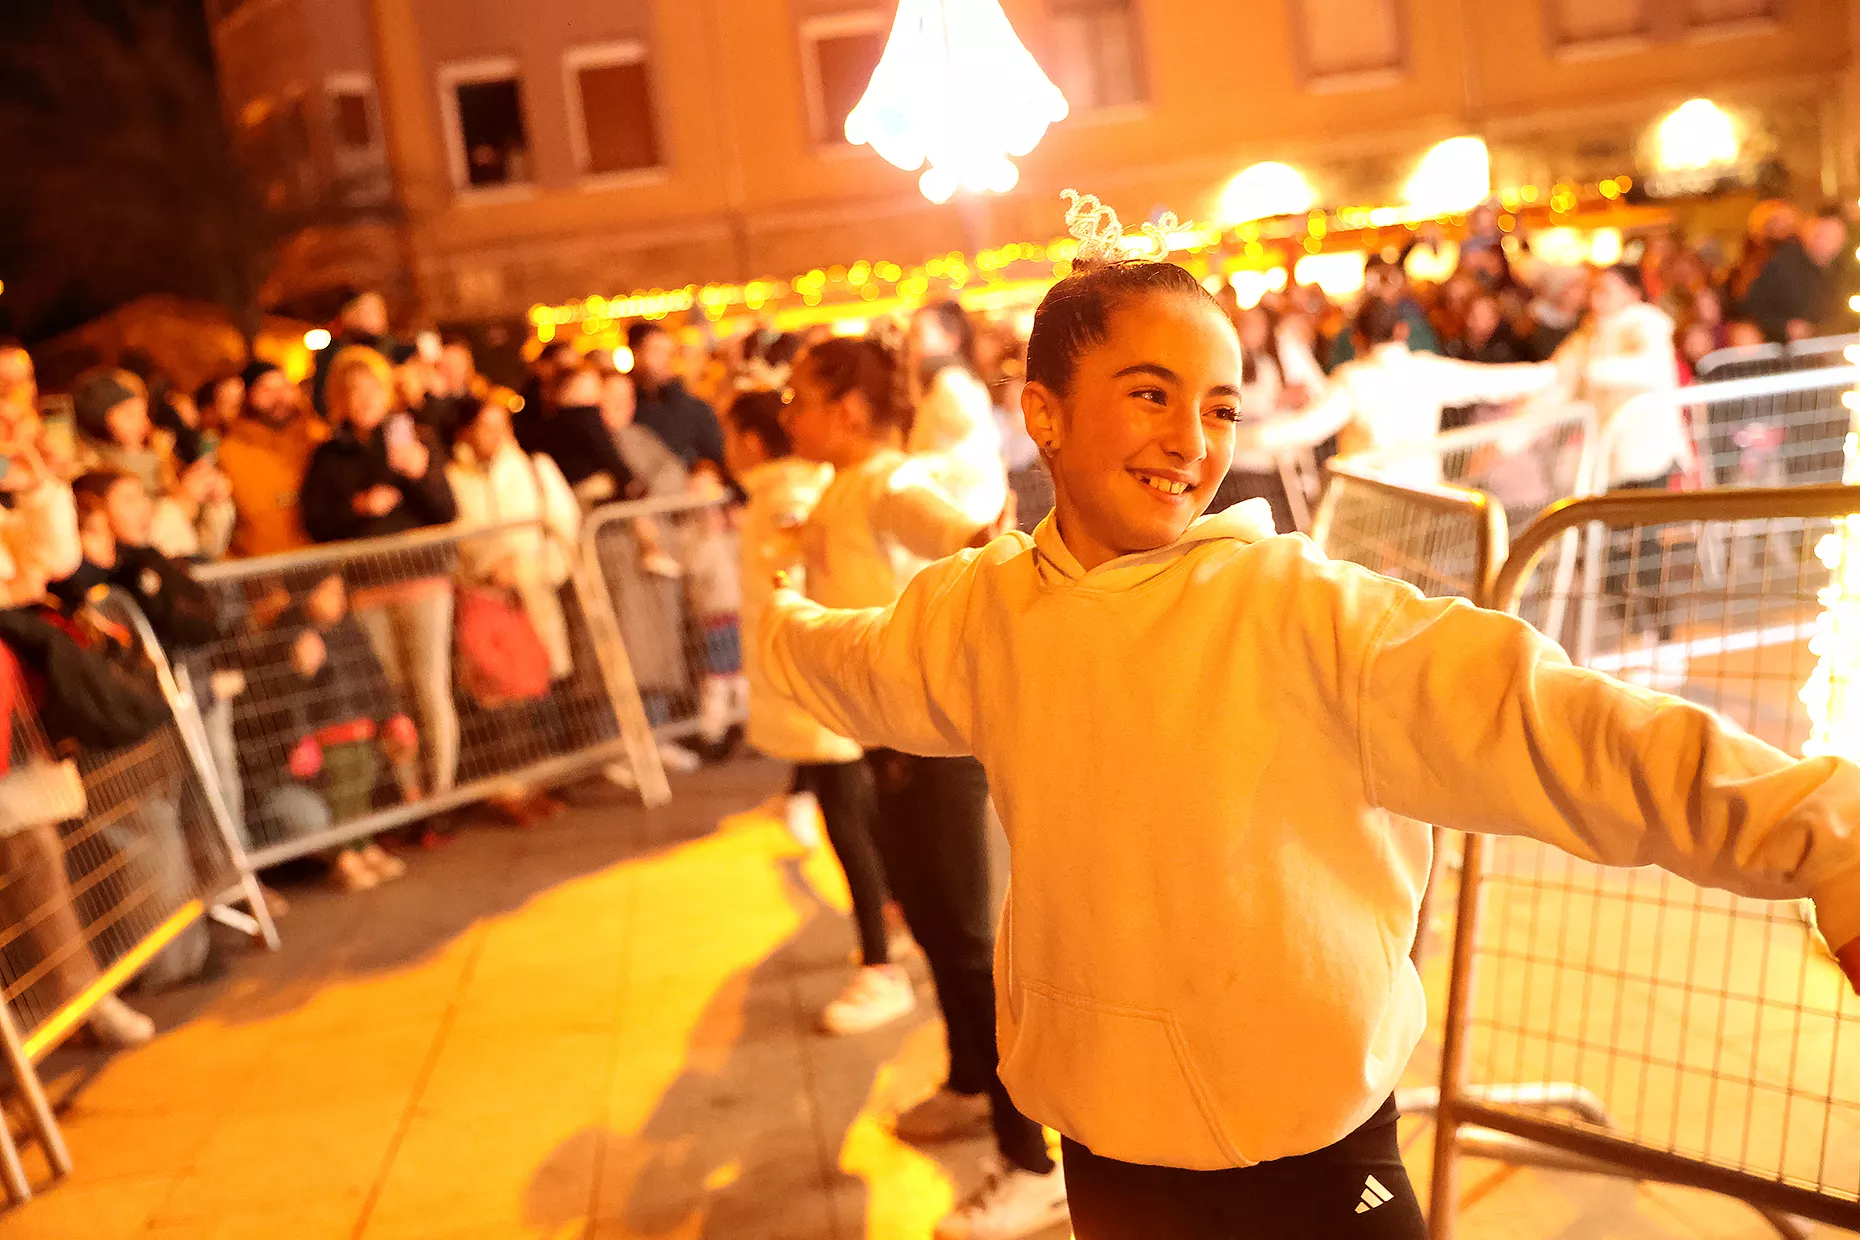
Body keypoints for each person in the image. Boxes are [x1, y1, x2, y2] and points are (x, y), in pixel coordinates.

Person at [757, 235, 1860, 1240]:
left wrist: (1825, 834)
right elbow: (855, 664)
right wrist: (774, 619)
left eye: (1222, 409)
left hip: (1320, 1166)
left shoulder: (1307, 613)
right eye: (1151, 394)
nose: (1191, 442)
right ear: (1044, 412)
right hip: (1108, 1156)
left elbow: (1560, 725)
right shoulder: (982, 612)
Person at [777, 335, 1051, 1238]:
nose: (787, 411)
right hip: (890, 740)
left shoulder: (889, 482)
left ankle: (1032, 1162)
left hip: (936, 745)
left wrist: (986, 539)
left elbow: (965, 538)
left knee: (970, 947)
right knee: (933, 928)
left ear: (849, 410)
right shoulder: (843, 487)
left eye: (799, 396)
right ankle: (975, 1084)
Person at [724, 386, 914, 1032]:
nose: (791, 417)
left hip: (818, 685)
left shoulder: (791, 496)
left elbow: (805, 583)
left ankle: (881, 966)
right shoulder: (799, 491)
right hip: (817, 681)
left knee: (851, 823)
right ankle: (891, 930)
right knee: (854, 816)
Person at [300, 345, 460, 799]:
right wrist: (357, 508)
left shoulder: (416, 439)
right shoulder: (329, 456)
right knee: (390, 696)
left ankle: (442, 791)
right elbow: (316, 522)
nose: (364, 398)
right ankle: (407, 794)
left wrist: (419, 474)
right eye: (353, 390)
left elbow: (446, 509)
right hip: (367, 586)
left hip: (421, 579)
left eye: (371, 387)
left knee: (429, 686)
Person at [1244, 298, 1560, 487]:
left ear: (1357, 338)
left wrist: (1239, 438)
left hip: (1371, 506)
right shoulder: (1425, 369)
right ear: (1402, 331)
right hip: (1425, 498)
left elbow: (1303, 430)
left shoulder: (1354, 379)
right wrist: (1555, 369)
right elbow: (1494, 382)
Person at [445, 390, 580, 824]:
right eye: (485, 425)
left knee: (536, 689)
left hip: (532, 594)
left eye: (501, 424)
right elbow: (454, 530)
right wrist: (488, 564)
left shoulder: (532, 469)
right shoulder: (453, 477)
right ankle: (508, 787)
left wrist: (536, 570)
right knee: (495, 692)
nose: (494, 435)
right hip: (483, 597)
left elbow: (563, 522)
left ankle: (539, 780)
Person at [70, 368, 235, 560]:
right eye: (129, 414)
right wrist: (180, 502)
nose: (144, 424)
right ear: (100, 422)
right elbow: (140, 548)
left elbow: (202, 549)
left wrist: (215, 504)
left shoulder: (162, 462)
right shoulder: (94, 480)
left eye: (143, 413)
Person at [908, 300, 1011, 528]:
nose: (912, 345)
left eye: (919, 334)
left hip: (968, 510)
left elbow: (972, 455)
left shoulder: (951, 383)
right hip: (968, 509)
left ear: (951, 339)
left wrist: (914, 467)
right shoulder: (948, 380)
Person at [219, 360, 329, 559]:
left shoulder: (319, 439)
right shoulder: (230, 453)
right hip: (262, 569)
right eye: (266, 389)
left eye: (284, 387)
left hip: (320, 562)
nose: (279, 397)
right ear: (248, 397)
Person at [627, 321, 728, 475]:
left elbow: (715, 456)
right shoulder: (626, 405)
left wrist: (705, 471)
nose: (665, 360)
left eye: (669, 353)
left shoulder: (694, 408)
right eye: (656, 351)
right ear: (636, 353)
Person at [1740, 206, 1851, 343]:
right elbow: (1752, 309)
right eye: (1821, 235)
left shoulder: (1847, 270)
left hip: (1838, 348)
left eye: (1833, 238)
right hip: (1791, 353)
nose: (1826, 244)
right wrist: (1785, 326)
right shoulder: (1780, 265)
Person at [310, 291, 397, 415]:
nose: (370, 318)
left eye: (376, 312)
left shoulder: (391, 349)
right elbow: (321, 394)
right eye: (364, 312)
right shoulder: (332, 351)